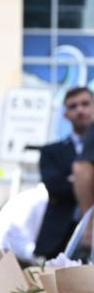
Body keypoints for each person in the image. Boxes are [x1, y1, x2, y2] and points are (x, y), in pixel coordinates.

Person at [36, 86, 92, 258]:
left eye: (85, 104)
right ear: (65, 114)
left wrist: (74, 179)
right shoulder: (50, 151)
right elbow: (55, 187)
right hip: (60, 237)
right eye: (73, 106)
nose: (80, 110)